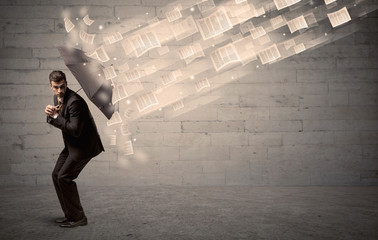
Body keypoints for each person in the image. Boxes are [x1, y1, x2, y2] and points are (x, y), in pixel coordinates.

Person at [45, 70, 104, 228]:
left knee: (64, 177)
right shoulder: (57, 98)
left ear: (66, 83)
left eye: (62, 87)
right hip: (71, 145)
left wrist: (57, 117)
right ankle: (70, 215)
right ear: (51, 86)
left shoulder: (75, 102)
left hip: (83, 147)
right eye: (56, 87)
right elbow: (61, 121)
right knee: (56, 175)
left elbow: (75, 130)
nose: (60, 91)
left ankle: (79, 218)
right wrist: (52, 114)